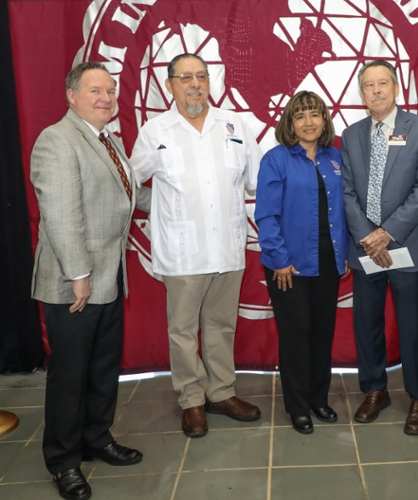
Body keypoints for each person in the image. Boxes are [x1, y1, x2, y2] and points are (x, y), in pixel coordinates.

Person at [30, 61, 150, 500]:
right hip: (73, 284)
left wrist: (187, 198)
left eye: (111, 91)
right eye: (95, 90)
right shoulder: (57, 140)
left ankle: (97, 438)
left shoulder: (108, 140)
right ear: (71, 95)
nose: (106, 98)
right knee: (70, 374)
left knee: (102, 368)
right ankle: (63, 461)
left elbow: (129, 195)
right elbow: (62, 216)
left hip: (109, 279)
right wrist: (79, 275)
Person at [130, 53, 264, 438]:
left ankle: (221, 392)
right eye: (185, 77)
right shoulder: (156, 131)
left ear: (211, 82)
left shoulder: (234, 124)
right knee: (184, 331)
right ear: (169, 84)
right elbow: (126, 180)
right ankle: (191, 400)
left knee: (221, 326)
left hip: (228, 246)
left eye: (201, 76)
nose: (195, 84)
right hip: (182, 250)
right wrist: (157, 207)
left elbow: (258, 179)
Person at [341, 60, 418, 435]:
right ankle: (374, 389)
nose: (377, 90)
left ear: (396, 88)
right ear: (361, 93)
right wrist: (369, 236)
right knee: (366, 323)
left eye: (383, 83)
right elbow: (347, 191)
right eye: (369, 85)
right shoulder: (351, 135)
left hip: (406, 246)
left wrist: (388, 232)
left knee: (413, 327)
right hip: (365, 246)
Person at [255, 91, 348, 434]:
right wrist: (278, 259)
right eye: (300, 116)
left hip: (328, 260)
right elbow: (265, 214)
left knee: (323, 332)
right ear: (290, 124)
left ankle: (318, 399)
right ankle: (298, 407)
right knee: (296, 334)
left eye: (314, 114)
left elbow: (343, 210)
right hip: (288, 265)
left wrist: (344, 254)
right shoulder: (276, 160)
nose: (309, 122)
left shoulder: (335, 157)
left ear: (324, 119)